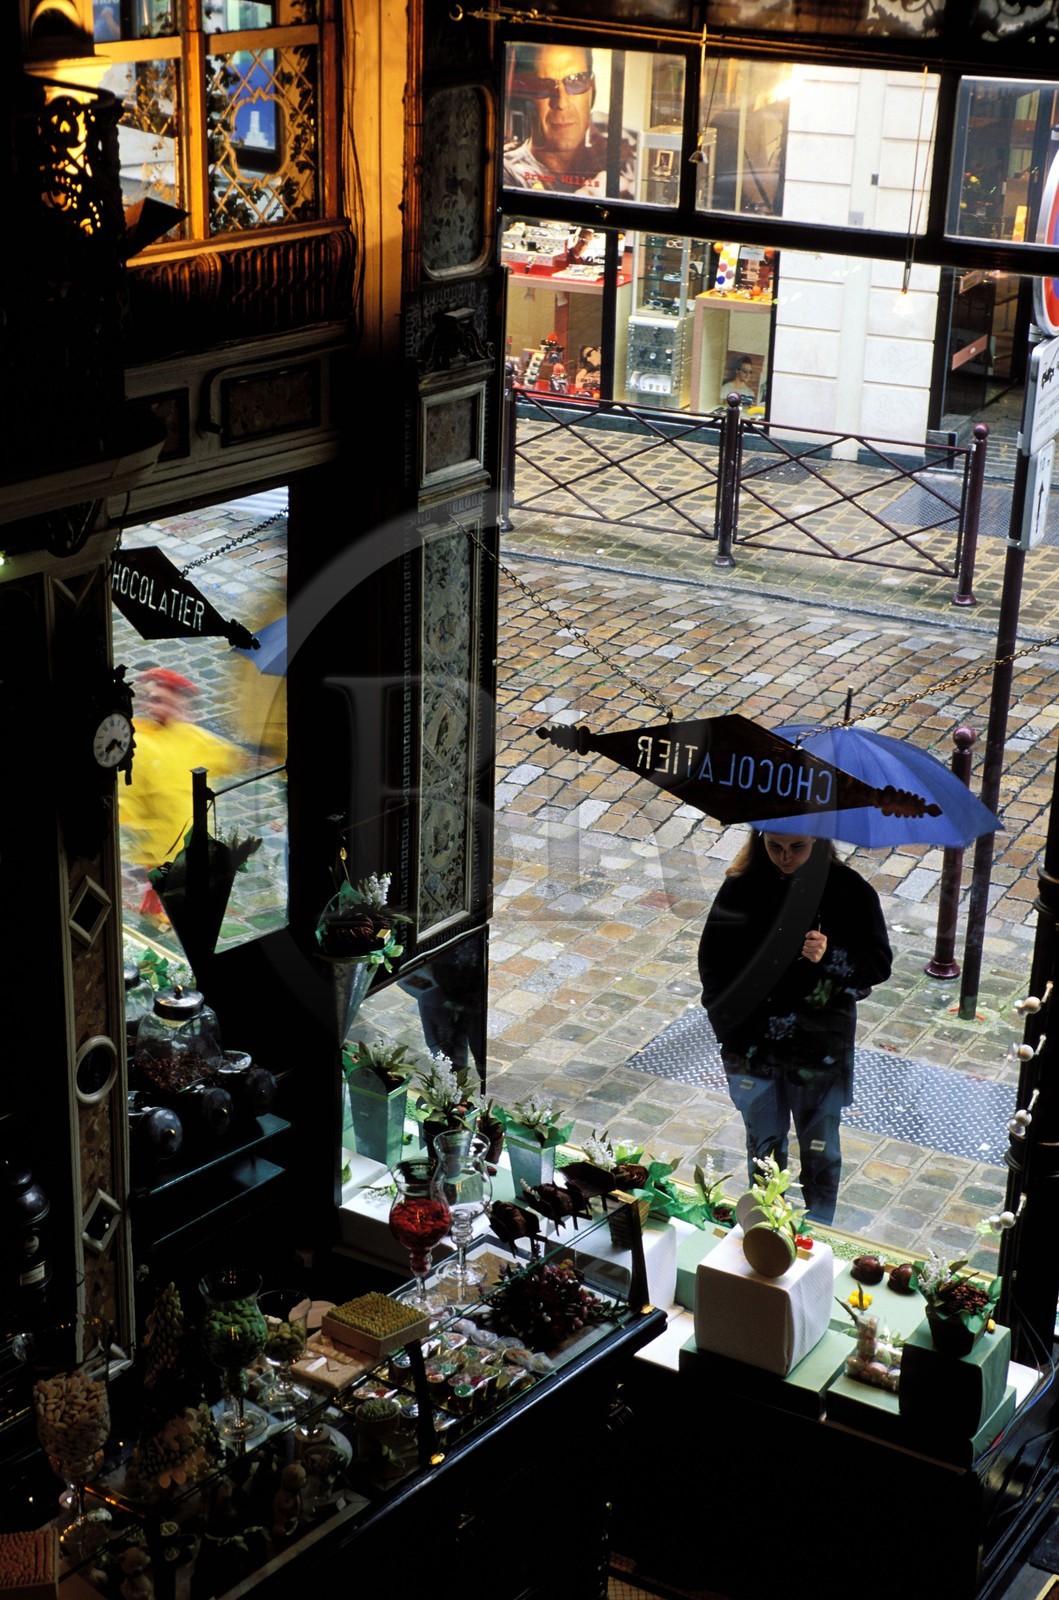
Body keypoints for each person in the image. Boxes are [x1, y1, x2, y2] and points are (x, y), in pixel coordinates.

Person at [698, 829, 892, 1225]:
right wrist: (730, 1034)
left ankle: (818, 1232)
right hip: (753, 1049)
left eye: (797, 847)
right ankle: (769, 1233)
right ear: (760, 840)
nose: (785, 857)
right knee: (764, 1149)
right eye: (775, 847)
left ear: (818, 841)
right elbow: (713, 965)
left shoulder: (848, 891)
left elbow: (876, 966)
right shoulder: (742, 888)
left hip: (819, 1050)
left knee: (821, 1153)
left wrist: (829, 955)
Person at [120, 668, 246, 921]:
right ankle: (165, 914)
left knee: (177, 885)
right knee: (173, 887)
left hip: (189, 834)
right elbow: (127, 793)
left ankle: (156, 910)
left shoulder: (189, 736)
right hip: (160, 843)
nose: (158, 706)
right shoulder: (139, 740)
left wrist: (251, 758)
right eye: (153, 699)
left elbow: (223, 755)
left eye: (166, 700)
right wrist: (131, 827)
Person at [503, 42, 635, 198]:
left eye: (575, 80)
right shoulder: (507, 172)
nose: (562, 102)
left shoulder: (622, 162)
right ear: (525, 95)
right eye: (544, 85)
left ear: (592, 88)